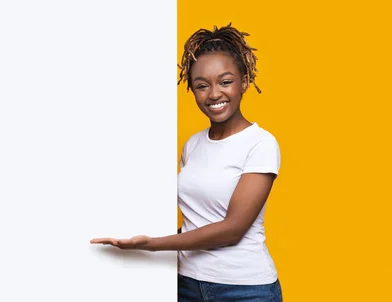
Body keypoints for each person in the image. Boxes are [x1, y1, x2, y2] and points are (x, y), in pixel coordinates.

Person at [90, 23, 283, 302]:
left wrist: (151, 244)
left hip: (244, 289)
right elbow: (195, 219)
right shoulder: (192, 145)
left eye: (225, 81)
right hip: (188, 283)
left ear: (244, 81)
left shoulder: (261, 144)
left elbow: (233, 229)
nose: (214, 94)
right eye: (202, 86)